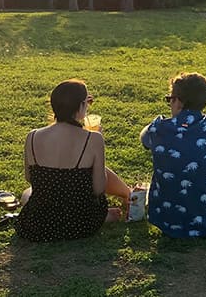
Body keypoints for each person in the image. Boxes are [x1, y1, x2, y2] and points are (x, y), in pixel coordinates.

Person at [14, 80, 132, 242]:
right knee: (99, 170)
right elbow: (98, 189)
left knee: (28, 193)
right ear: (81, 105)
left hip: (37, 226)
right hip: (81, 224)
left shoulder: (32, 136)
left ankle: (126, 195)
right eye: (88, 102)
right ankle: (127, 196)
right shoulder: (93, 139)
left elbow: (30, 178)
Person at [141, 73, 206, 238]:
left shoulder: (158, 128)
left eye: (170, 99)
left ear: (178, 101)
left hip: (165, 221)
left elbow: (144, 138)